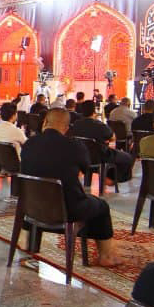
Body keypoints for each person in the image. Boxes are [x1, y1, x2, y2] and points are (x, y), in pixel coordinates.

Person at [19, 108, 121, 264]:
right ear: (67, 128)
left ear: (45, 122)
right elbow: (85, 169)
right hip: (67, 209)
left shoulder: (29, 144)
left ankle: (28, 242)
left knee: (45, 192)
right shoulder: (74, 146)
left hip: (32, 206)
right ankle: (106, 256)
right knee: (101, 206)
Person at [70, 100, 133, 183]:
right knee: (127, 157)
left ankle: (105, 177)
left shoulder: (75, 124)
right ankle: (114, 179)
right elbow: (113, 138)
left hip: (82, 157)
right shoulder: (99, 125)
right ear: (94, 111)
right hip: (99, 157)